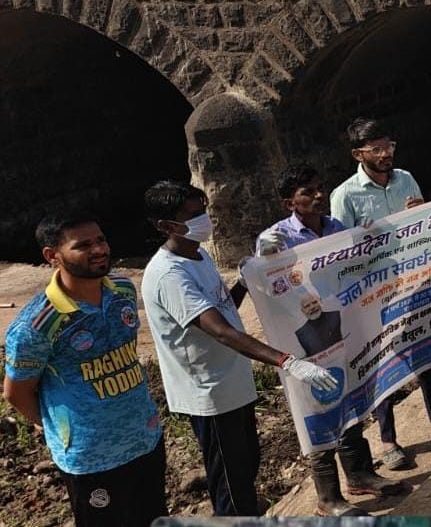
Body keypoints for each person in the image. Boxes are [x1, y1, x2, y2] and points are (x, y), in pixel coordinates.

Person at [139, 180, 339, 517]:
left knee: (246, 466)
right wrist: (288, 361)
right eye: (192, 215)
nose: (203, 220)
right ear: (165, 226)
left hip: (234, 381)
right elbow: (220, 331)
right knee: (231, 486)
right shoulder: (168, 275)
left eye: (203, 211)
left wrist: (246, 281)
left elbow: (223, 307)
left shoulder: (198, 255)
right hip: (211, 394)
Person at [260, 164, 408, 515]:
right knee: (318, 407)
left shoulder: (335, 228)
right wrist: (264, 261)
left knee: (350, 398)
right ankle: (328, 498)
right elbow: (267, 291)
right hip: (305, 337)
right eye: (308, 192)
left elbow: (353, 267)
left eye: (319, 188)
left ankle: (359, 474)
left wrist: (367, 239)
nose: (318, 196)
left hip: (340, 326)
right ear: (289, 203)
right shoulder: (276, 239)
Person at [328, 119, 431, 471]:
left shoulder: (405, 178)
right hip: (376, 292)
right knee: (384, 364)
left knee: (427, 349)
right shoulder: (345, 195)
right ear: (358, 154)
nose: (385, 154)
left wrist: (420, 213)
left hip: (414, 280)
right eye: (376, 149)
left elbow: (425, 223)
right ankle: (388, 441)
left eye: (388, 146)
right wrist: (362, 240)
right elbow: (339, 251)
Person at [4, 214, 167, 527]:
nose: (99, 250)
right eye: (83, 245)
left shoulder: (122, 290)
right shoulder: (38, 325)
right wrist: (60, 429)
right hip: (92, 459)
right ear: (52, 256)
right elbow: (17, 392)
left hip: (145, 437)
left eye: (100, 240)